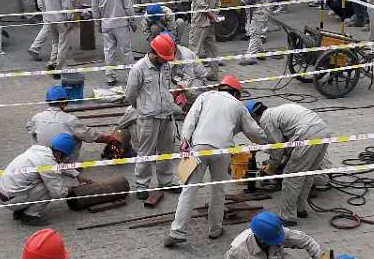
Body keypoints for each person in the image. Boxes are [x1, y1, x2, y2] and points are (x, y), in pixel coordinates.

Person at [165, 76, 264, 247]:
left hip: (199, 146)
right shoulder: (238, 105)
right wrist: (271, 142)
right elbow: (253, 131)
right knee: (218, 190)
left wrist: (185, 140)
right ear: (236, 93)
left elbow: (191, 118)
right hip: (222, 150)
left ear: (220, 88)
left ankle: (177, 232)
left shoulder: (205, 96)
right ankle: (215, 229)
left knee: (189, 190)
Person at [249, 99, 329, 225]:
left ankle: (287, 217)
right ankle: (300, 209)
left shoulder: (265, 120)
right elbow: (286, 145)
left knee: (291, 177)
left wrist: (271, 168)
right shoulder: (276, 112)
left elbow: (278, 149)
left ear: (254, 116)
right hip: (323, 130)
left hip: (307, 134)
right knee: (307, 174)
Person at [125, 34, 182, 206]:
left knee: (166, 150)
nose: (166, 61)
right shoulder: (138, 69)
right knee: (146, 152)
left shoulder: (165, 66)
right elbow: (130, 94)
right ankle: (142, 185)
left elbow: (166, 87)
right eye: (164, 58)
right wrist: (143, 109)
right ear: (154, 54)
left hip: (166, 114)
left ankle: (166, 181)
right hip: (148, 118)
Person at [0, 133, 80, 225]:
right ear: (61, 153)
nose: (66, 159)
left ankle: (21, 209)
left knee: (43, 181)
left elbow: (57, 165)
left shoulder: (39, 151)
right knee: (50, 187)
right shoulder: (47, 162)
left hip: (5, 194)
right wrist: (70, 190)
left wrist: (77, 175)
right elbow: (58, 193)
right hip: (13, 199)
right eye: (66, 157)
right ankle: (30, 215)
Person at [28, 84, 118, 156]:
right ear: (64, 103)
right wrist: (110, 139)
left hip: (41, 157)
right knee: (77, 135)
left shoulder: (36, 117)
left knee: (36, 134)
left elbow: (29, 129)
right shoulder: (70, 120)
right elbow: (91, 136)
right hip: (61, 159)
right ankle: (69, 164)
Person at [90, 0, 136, 85]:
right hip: (121, 24)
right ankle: (130, 77)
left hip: (106, 25)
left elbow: (95, 11)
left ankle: (110, 77)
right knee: (126, 51)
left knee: (108, 51)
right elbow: (128, 6)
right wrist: (132, 21)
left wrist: (98, 25)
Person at [187, 0, 220, 78]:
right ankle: (214, 73)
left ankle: (190, 76)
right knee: (211, 49)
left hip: (199, 23)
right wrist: (214, 15)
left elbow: (201, 5)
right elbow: (218, 2)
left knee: (193, 50)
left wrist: (210, 14)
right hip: (210, 23)